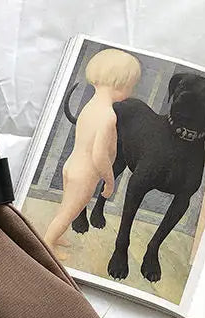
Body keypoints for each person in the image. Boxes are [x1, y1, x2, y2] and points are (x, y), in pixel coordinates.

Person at [44, 48, 142, 257]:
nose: (130, 92)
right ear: (120, 85)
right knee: (69, 211)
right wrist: (109, 181)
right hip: (85, 174)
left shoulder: (90, 106)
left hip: (71, 166)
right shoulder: (108, 115)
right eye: (131, 86)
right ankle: (48, 245)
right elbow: (99, 155)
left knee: (67, 206)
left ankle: (56, 236)